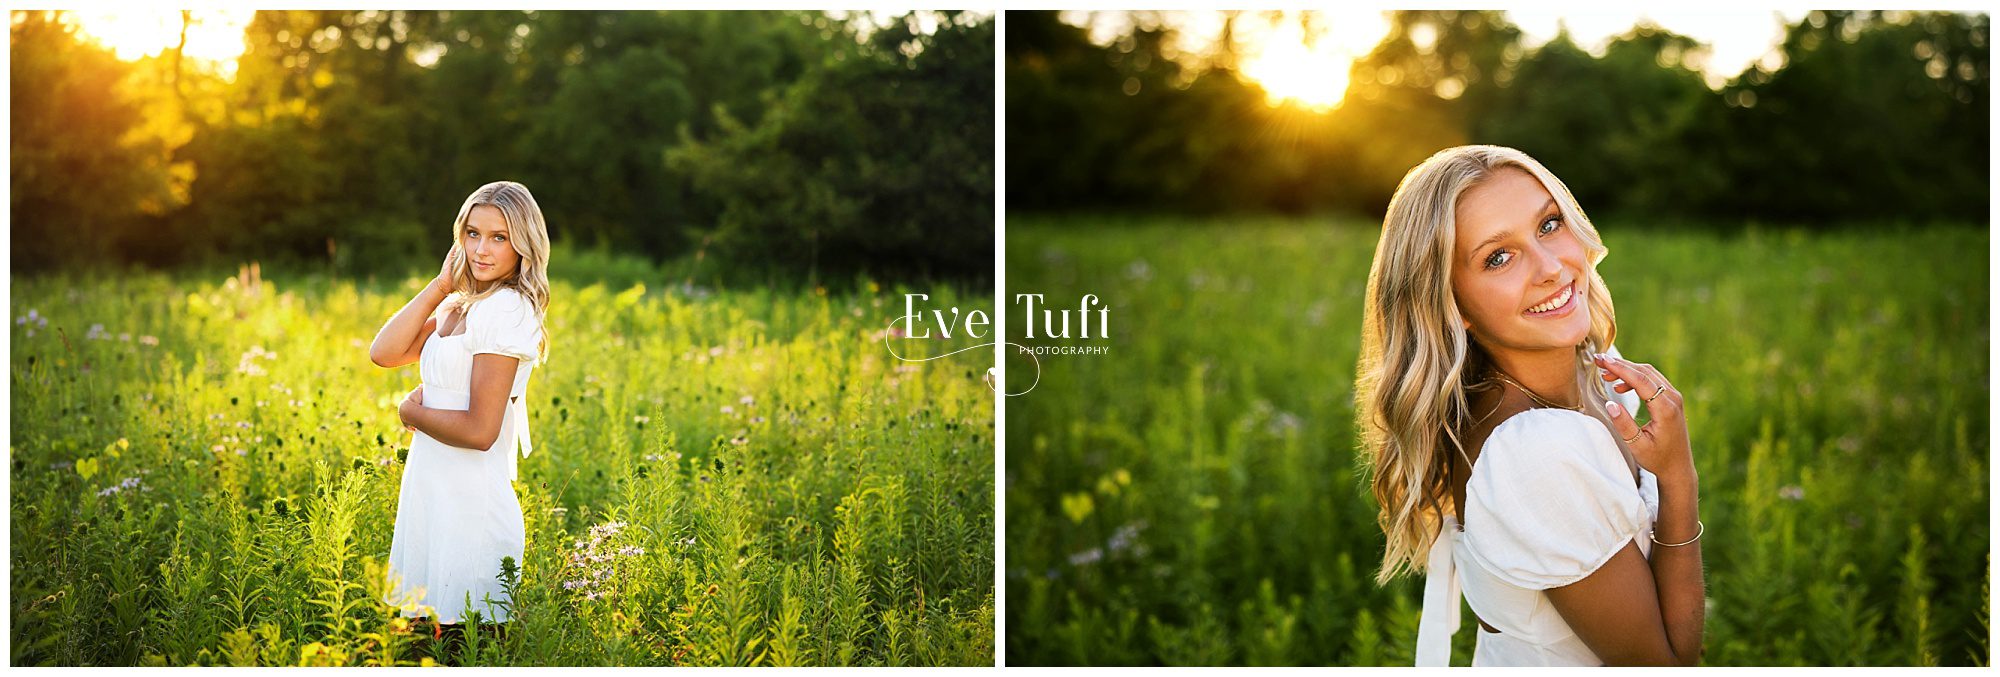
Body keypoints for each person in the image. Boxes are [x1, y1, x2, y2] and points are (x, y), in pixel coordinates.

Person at [1355, 146, 1704, 666]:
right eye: (1498, 257)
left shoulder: (1590, 367)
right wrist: (1678, 478)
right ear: (1453, 306)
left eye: (1549, 224)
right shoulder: (1533, 453)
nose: (1550, 267)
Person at [367, 180, 552, 654]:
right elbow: (384, 353)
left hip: (471, 509)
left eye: (499, 237)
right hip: (430, 500)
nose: (481, 249)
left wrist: (411, 410)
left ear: (524, 244)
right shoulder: (458, 304)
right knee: (417, 651)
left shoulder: (508, 311)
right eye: (473, 233)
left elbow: (479, 431)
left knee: (465, 650)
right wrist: (440, 286)